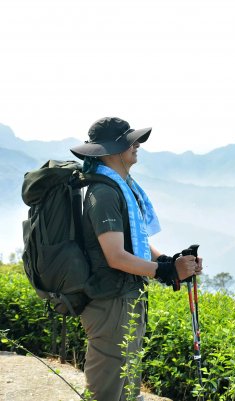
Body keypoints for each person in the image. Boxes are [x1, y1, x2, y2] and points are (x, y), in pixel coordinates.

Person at [70, 116, 202, 401]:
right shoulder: (103, 193)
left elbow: (135, 242)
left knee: (128, 389)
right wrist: (166, 271)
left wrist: (171, 261)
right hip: (110, 302)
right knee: (106, 392)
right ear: (112, 150)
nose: (138, 145)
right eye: (131, 141)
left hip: (125, 298)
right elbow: (116, 256)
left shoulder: (120, 187)